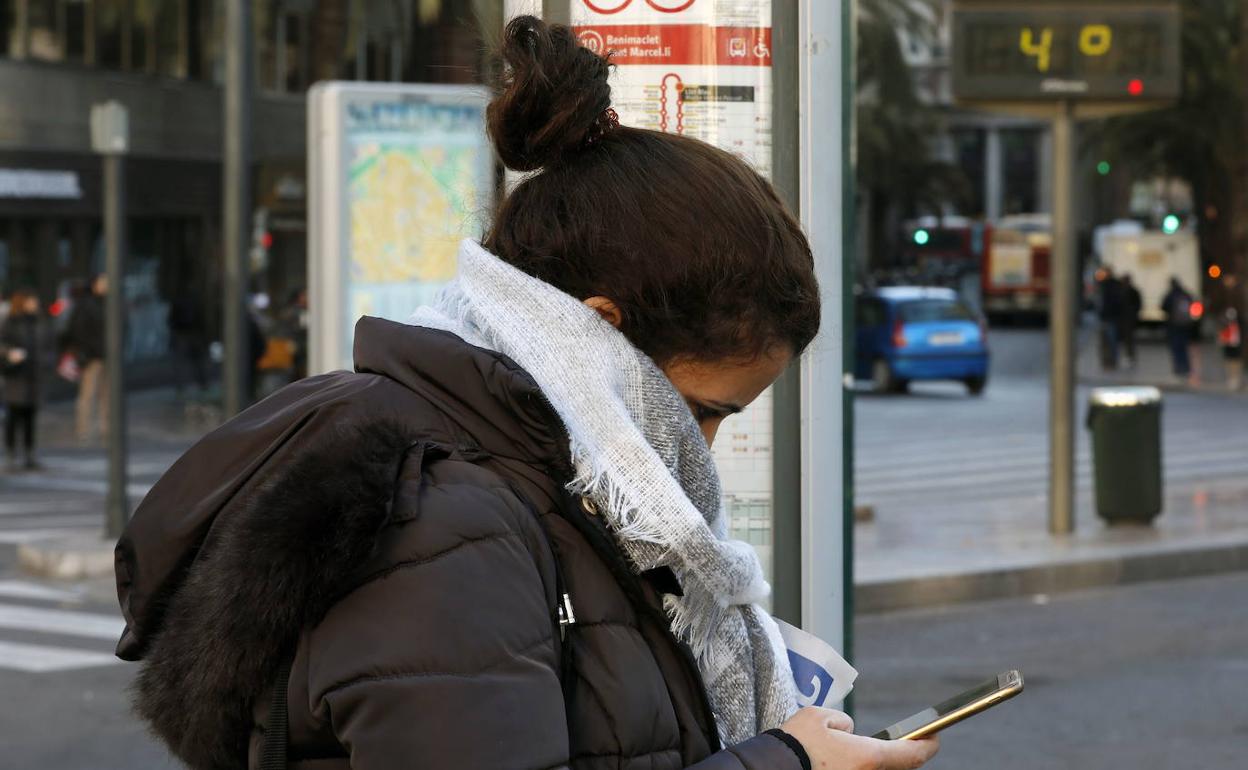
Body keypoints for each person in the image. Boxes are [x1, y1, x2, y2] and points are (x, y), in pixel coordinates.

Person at [113, 17, 938, 770]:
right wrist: (785, 765)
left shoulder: (543, 479)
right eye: (704, 410)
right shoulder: (445, 523)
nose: (706, 453)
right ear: (602, 331)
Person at [0, 289, 44, 469]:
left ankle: (29, 455)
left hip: (32, 375)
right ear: (23, 302)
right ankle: (11, 454)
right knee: (14, 417)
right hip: (16, 375)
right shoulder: (11, 321)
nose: (36, 304)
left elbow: (46, 345)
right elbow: (2, 343)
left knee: (30, 418)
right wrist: (10, 353)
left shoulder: (37, 322)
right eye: (33, 300)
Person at [64, 273, 107, 443]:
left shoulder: (112, 303)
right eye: (103, 282)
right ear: (95, 284)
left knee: (108, 395)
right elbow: (78, 330)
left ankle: (106, 429)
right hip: (92, 356)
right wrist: (86, 351)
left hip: (109, 356)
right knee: (88, 394)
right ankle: (84, 429)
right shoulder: (86, 304)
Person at [168, 288, 208, 396]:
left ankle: (197, 383)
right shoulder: (191, 301)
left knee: (192, 361)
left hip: (188, 333)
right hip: (187, 333)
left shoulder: (184, 301)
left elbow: (171, 319)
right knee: (193, 361)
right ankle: (199, 383)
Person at [1161, 277, 1194, 381]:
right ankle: (1186, 367)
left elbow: (1164, 307)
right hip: (1185, 325)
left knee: (1176, 347)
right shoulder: (1185, 294)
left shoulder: (1171, 295)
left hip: (1173, 325)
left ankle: (1178, 367)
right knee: (1184, 346)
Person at [1096, 269, 1122, 371]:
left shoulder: (1110, 286)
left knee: (1111, 340)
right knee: (1108, 340)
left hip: (1110, 317)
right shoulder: (1106, 285)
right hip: (1108, 317)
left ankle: (1111, 361)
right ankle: (1108, 361)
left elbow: (1111, 303)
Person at [1118, 273, 1142, 368]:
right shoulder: (1124, 291)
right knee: (1127, 339)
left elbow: (1138, 305)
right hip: (1125, 319)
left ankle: (1130, 356)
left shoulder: (1130, 291)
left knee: (1129, 339)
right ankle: (1128, 356)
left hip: (1128, 319)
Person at [1220, 307, 1243, 391]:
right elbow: (1222, 336)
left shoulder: (1239, 325)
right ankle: (1230, 379)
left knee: (1236, 362)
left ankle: (1236, 379)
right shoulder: (1225, 325)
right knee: (1229, 362)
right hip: (1228, 346)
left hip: (1236, 346)